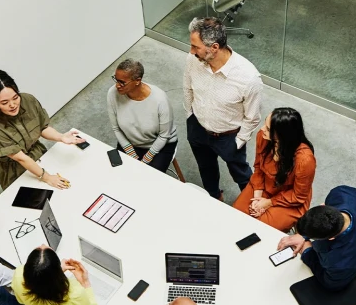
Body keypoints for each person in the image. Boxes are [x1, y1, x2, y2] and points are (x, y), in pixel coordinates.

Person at [183, 17, 263, 199]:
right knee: (206, 168)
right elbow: (187, 88)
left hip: (228, 137)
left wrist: (239, 141)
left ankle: (251, 205)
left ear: (214, 48)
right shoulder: (192, 59)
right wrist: (190, 117)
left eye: (196, 47)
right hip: (198, 129)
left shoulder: (248, 78)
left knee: (241, 174)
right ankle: (214, 197)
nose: (191, 51)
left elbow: (252, 117)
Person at [0, 69, 84, 191]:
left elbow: (42, 128)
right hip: (16, 172)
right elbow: (20, 158)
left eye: (15, 97)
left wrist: (61, 137)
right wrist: (47, 177)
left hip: (39, 156)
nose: (12, 104)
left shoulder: (28, 100)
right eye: (5, 102)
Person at [277, 185, 356, 291]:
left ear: (331, 239)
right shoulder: (344, 193)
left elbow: (330, 282)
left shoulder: (341, 262)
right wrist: (303, 235)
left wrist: (308, 252)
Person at [233, 107, 316, 231]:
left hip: (289, 199)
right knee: (236, 215)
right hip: (264, 185)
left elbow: (298, 196)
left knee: (260, 230)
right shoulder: (263, 136)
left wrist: (267, 203)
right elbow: (258, 169)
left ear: (283, 136)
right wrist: (257, 197)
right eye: (265, 124)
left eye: (267, 129)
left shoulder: (305, 160)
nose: (261, 130)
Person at [106, 58, 179, 172]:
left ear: (137, 81)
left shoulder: (160, 100)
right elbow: (116, 128)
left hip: (159, 146)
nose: (117, 86)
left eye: (122, 82)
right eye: (116, 79)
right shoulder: (112, 94)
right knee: (118, 173)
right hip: (130, 143)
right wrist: (132, 154)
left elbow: (164, 135)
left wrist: (144, 160)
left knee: (148, 179)